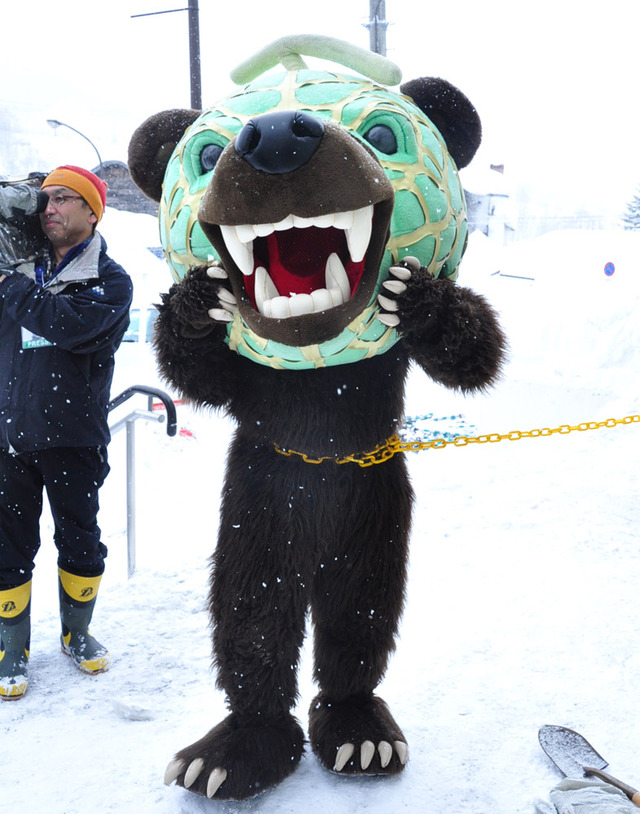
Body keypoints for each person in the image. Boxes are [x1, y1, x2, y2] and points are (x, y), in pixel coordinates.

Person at [0, 166, 133, 700]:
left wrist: (8, 280)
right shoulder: (20, 265)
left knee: (80, 540)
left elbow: (65, 324)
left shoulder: (110, 280)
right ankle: (11, 646)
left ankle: (76, 634)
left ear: (92, 211)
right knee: (8, 546)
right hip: (9, 437)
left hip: (73, 438)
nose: (49, 207)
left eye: (63, 199)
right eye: (45, 200)